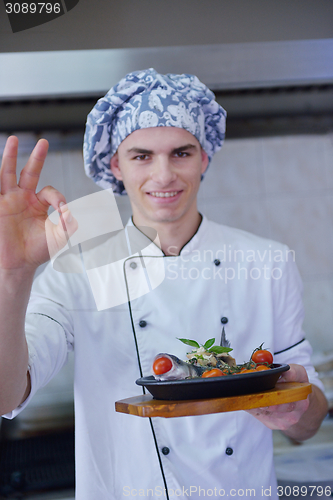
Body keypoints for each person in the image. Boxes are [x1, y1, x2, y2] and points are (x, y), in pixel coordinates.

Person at [0, 68, 328, 500]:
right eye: (141, 156)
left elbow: (309, 419)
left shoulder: (266, 261)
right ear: (115, 164)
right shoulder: (81, 268)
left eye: (181, 153)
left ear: (204, 157)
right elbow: (7, 395)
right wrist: (14, 273)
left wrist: (297, 409)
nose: (164, 175)